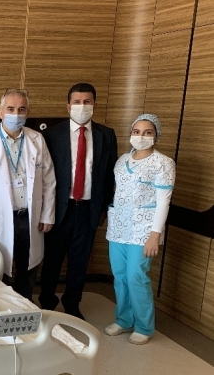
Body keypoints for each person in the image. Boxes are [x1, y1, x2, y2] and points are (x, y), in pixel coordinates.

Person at [38, 82, 118, 319]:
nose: (82, 106)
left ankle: (72, 303)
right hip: (58, 209)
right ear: (68, 106)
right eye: (77, 102)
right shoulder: (51, 135)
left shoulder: (106, 135)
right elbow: (43, 175)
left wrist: (104, 208)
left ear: (94, 104)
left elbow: (109, 174)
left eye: (87, 102)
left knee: (79, 261)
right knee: (52, 260)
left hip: (88, 209)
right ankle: (47, 302)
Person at [0, 88, 56, 301]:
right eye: (10, 109)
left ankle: (26, 305)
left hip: (30, 216)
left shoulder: (37, 140)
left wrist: (47, 215)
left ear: (27, 113)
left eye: (21, 109)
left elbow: (49, 180)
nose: (16, 114)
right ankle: (3, 308)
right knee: (1, 268)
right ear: (1, 113)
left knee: (28, 267)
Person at [104, 114, 175, 345]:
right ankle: (124, 319)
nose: (141, 136)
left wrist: (155, 235)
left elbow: (163, 201)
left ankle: (144, 326)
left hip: (144, 230)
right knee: (120, 276)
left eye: (147, 132)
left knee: (136, 276)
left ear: (156, 136)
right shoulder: (122, 160)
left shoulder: (163, 163)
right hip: (118, 227)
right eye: (136, 132)